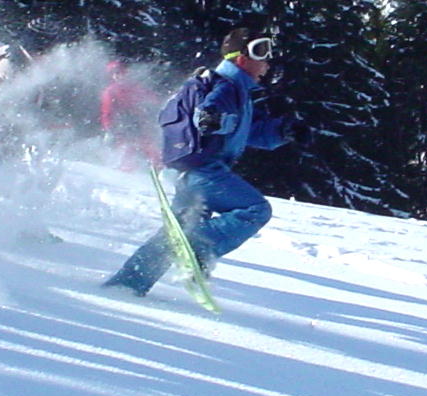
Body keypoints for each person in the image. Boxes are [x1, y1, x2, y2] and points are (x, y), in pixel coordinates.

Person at [103, 28, 303, 297]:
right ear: (243, 58)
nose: (267, 64)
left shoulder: (236, 90)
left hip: (187, 171)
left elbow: (248, 132)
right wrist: (212, 118)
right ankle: (200, 246)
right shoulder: (226, 86)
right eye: (262, 53)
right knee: (255, 210)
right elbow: (207, 115)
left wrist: (283, 131)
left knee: (175, 235)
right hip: (204, 171)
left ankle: (126, 285)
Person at [100, 59, 162, 171]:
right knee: (127, 149)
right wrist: (109, 129)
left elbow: (152, 98)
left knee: (150, 146)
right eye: (116, 74)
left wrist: (155, 103)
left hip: (138, 123)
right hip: (122, 125)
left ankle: (158, 168)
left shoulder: (135, 87)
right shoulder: (110, 91)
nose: (119, 76)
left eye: (121, 72)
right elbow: (107, 113)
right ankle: (126, 173)